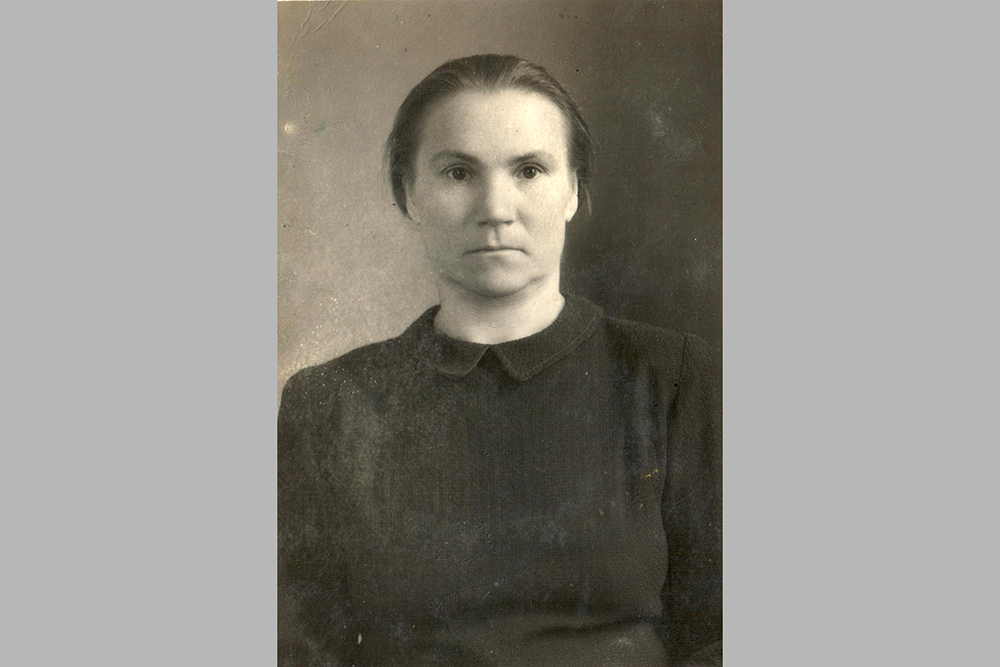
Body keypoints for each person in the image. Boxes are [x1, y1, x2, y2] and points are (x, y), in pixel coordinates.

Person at [278, 54, 722, 667]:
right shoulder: (329, 404)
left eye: (529, 170)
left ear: (572, 191)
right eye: (458, 172)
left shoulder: (673, 376)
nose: (495, 207)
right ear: (409, 194)